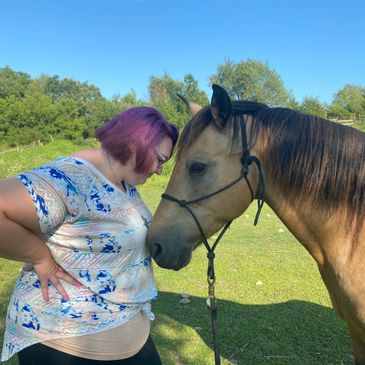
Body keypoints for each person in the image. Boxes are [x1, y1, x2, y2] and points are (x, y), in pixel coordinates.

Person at [0, 106, 179, 365]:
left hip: (121, 326)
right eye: (160, 159)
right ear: (134, 144)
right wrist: (39, 258)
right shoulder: (72, 178)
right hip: (64, 340)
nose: (160, 169)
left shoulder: (122, 181)